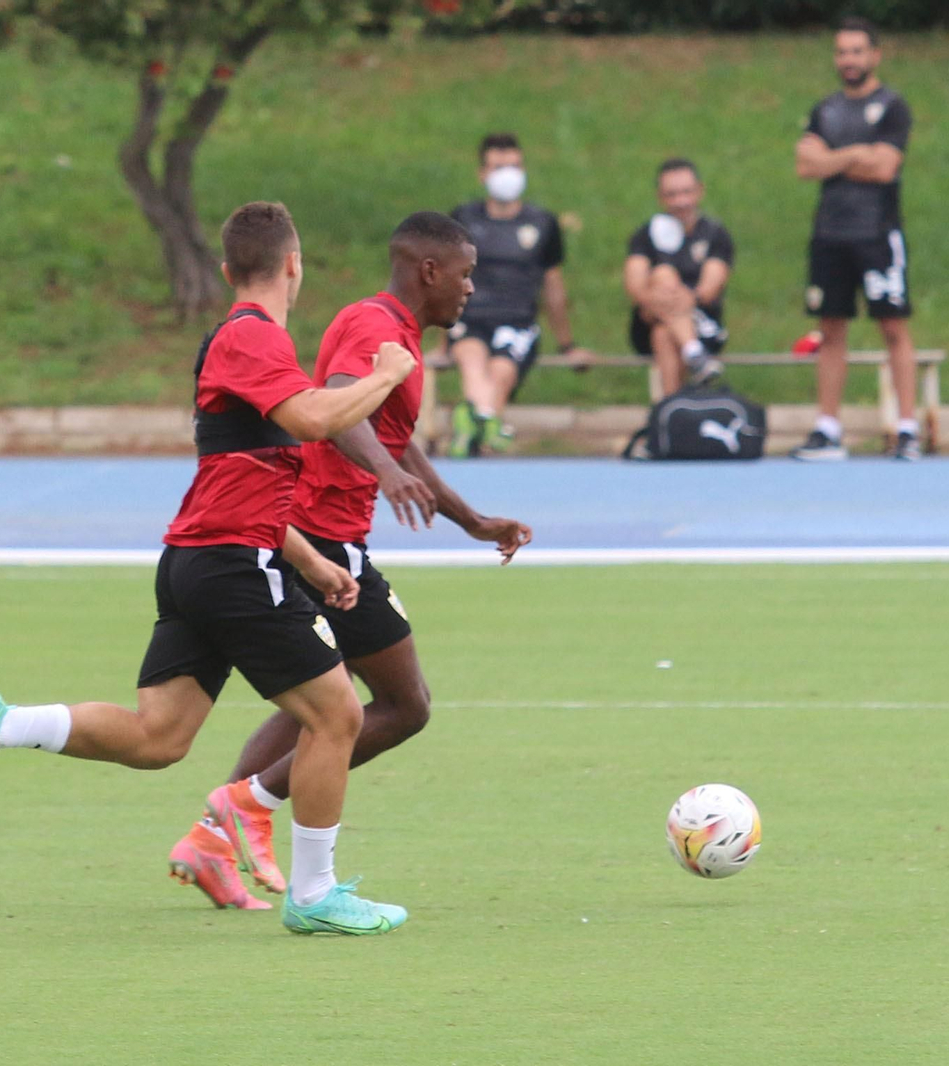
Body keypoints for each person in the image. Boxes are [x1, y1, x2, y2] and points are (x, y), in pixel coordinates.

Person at [0, 201, 419, 936]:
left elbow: (247, 475)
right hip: (233, 567)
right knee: (337, 715)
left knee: (159, 738)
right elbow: (313, 421)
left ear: (223, 269)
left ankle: (3, 723)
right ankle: (315, 895)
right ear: (295, 265)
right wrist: (387, 374)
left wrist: (308, 559)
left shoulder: (255, 347)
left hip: (204, 560)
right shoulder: (252, 337)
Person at [167, 211, 534, 908]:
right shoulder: (374, 327)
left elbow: (392, 437)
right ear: (430, 270)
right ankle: (248, 808)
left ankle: (216, 831)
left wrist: (471, 520)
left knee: (321, 695)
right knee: (401, 703)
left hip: (327, 530)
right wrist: (388, 478)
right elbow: (342, 407)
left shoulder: (399, 334)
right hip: (321, 533)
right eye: (464, 273)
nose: (470, 288)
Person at [791, 17, 921, 461]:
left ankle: (907, 428)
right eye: (842, 52)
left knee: (893, 326)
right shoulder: (824, 110)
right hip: (830, 233)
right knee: (830, 329)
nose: (849, 59)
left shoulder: (891, 107)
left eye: (857, 51)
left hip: (877, 234)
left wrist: (831, 158)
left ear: (875, 55)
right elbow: (805, 165)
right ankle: (827, 428)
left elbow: (884, 167)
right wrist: (852, 155)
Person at [447, 132, 592, 456]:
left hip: (518, 322)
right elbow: (445, 279)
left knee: (500, 373)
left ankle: (472, 421)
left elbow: (554, 286)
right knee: (471, 358)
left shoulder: (542, 223)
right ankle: (485, 426)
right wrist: (440, 341)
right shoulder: (464, 219)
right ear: (482, 174)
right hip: (470, 317)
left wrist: (566, 345)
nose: (508, 175)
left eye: (514, 166)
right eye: (499, 167)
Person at [622, 158, 736, 396]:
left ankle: (672, 409)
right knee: (663, 274)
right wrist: (662, 301)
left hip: (702, 322)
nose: (680, 201)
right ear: (660, 197)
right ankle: (695, 354)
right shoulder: (646, 235)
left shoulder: (715, 234)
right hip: (648, 319)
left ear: (699, 192)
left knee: (664, 333)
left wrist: (684, 302)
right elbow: (635, 286)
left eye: (686, 192)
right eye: (672, 194)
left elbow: (708, 290)